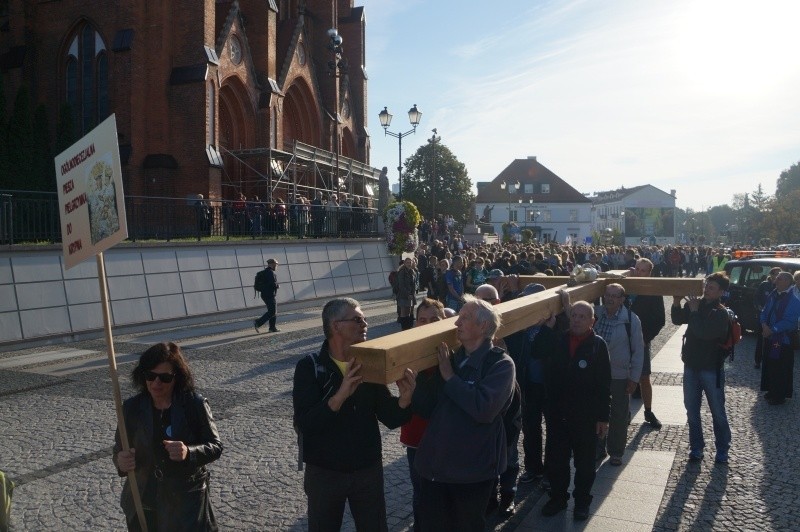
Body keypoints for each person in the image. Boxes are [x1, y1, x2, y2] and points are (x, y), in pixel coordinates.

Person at [292, 298, 416, 532]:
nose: (365, 324)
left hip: (367, 469)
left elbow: (389, 417)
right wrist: (340, 395)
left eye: (365, 319)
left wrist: (405, 399)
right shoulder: (309, 367)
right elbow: (306, 424)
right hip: (325, 472)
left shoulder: (367, 363)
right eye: (358, 319)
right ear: (336, 325)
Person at [412, 295, 515, 531]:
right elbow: (428, 408)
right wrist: (413, 389)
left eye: (464, 318)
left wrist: (450, 377)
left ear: (483, 326)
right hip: (436, 467)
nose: (457, 323)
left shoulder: (501, 364)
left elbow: (484, 409)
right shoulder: (452, 358)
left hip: (472, 470)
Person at [113, 342, 223, 531]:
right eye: (151, 376)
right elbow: (119, 448)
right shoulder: (132, 408)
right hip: (144, 500)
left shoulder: (193, 405)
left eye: (164, 377)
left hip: (184, 504)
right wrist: (120, 461)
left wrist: (188, 452)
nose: (156, 383)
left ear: (176, 378)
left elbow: (215, 446)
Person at [534, 298, 610, 521]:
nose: (576, 320)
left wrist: (603, 418)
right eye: (574, 315)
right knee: (557, 461)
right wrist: (546, 329)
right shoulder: (558, 339)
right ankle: (558, 498)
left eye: (582, 316)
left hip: (585, 416)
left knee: (585, 464)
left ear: (592, 321)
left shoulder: (598, 345)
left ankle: (582, 502)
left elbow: (604, 385)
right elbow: (537, 351)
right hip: (558, 414)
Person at [671, 272, 732, 463]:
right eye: (706, 285)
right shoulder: (697, 305)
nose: (706, 289)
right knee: (691, 410)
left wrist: (695, 311)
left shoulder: (721, 313)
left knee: (717, 411)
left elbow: (703, 332)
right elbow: (678, 319)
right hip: (691, 366)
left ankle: (722, 448)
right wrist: (676, 303)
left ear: (721, 292)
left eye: (711, 287)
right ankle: (697, 447)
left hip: (710, 368)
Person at [400, 298, 446, 532]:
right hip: (417, 435)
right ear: (416, 323)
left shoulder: (453, 348)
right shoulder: (407, 350)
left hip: (447, 436)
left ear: (444, 320)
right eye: (422, 320)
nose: (427, 324)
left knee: (445, 492)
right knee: (421, 491)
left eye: (434, 320)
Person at [594, 283, 644, 466]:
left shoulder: (631, 319)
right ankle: (597, 447)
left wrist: (634, 378)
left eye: (615, 295)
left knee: (618, 414)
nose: (610, 298)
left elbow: (638, 351)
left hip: (619, 374)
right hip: (596, 374)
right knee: (596, 412)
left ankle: (616, 451)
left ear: (622, 299)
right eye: (608, 294)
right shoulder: (596, 314)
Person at [629, 258, 666, 428]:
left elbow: (659, 320)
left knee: (644, 377)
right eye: (637, 269)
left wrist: (646, 338)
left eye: (643, 270)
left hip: (641, 340)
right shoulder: (627, 287)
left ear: (649, 272)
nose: (639, 272)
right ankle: (621, 410)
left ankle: (648, 411)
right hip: (622, 338)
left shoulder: (653, 290)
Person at [759, 271, 800, 405]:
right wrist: (764, 324)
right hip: (770, 336)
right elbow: (765, 311)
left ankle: (779, 395)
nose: (775, 281)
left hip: (782, 339)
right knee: (770, 364)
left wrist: (772, 330)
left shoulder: (793, 299)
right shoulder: (773, 294)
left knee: (780, 367)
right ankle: (771, 389)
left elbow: (790, 320)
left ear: (787, 282)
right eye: (776, 279)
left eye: (779, 279)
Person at [754, 267, 782, 369]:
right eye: (775, 274)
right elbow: (756, 298)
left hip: (775, 318)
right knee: (761, 340)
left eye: (779, 274)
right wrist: (759, 307)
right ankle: (758, 361)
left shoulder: (780, 287)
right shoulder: (764, 285)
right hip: (764, 317)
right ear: (771, 275)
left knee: (775, 339)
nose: (777, 276)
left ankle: (772, 360)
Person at [254, 258, 280, 333]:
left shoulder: (265, 272)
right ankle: (258, 322)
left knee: (272, 311)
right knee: (272, 311)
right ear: (272, 264)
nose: (276, 266)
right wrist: (277, 286)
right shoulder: (270, 272)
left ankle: (272, 328)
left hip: (265, 294)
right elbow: (273, 284)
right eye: (276, 264)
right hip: (269, 295)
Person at [397, 257, 418, 330]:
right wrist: (407, 294)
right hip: (403, 295)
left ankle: (408, 327)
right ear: (404, 263)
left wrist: (412, 293)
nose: (409, 264)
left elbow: (414, 283)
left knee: (409, 311)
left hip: (411, 294)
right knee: (403, 312)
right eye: (407, 262)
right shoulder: (402, 272)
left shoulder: (412, 271)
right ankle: (404, 328)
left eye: (410, 262)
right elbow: (401, 285)